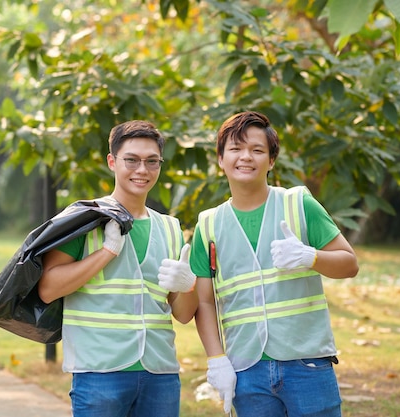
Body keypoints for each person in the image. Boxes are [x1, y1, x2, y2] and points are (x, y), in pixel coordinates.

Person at [190, 111, 359, 416]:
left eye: (257, 150)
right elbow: (203, 300)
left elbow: (349, 264)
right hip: (246, 368)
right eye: (236, 149)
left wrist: (311, 256)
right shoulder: (209, 224)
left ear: (271, 161)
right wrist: (216, 359)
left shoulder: (298, 203)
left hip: (306, 363)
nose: (246, 157)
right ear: (220, 159)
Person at [37, 120, 198, 417]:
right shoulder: (84, 218)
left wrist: (188, 286)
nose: (142, 170)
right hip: (100, 373)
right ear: (112, 161)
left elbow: (184, 314)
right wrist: (106, 252)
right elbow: (48, 289)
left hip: (160, 373)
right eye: (132, 160)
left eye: (152, 161)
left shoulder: (171, 228)